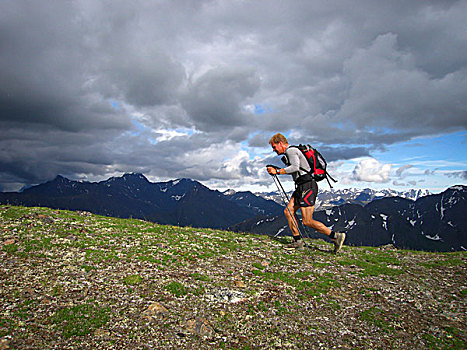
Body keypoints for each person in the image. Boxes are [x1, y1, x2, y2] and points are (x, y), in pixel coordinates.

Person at [267, 133, 345, 253]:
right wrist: (276, 169)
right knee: (288, 211)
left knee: (307, 220)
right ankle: (297, 241)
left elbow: (295, 168)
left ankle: (335, 236)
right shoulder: (292, 152)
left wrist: (277, 171)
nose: (273, 150)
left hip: (307, 186)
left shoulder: (291, 151)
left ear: (280, 143)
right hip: (302, 186)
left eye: (274, 147)